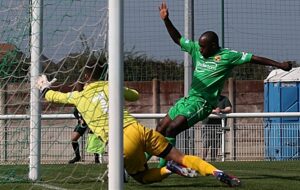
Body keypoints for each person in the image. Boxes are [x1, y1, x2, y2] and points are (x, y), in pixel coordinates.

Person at [36, 59, 241, 187]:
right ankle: (217, 172)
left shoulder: (77, 97)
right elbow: (133, 95)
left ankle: (168, 169)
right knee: (183, 157)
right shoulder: (109, 86)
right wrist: (119, 88)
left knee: (141, 178)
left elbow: (54, 97)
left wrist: (44, 87)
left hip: (120, 142)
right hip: (139, 130)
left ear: (84, 80)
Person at [153, 1, 292, 167]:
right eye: (200, 46)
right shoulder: (197, 49)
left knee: (171, 130)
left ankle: (161, 169)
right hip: (188, 99)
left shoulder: (227, 56)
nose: (200, 50)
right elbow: (178, 39)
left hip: (202, 103)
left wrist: (279, 65)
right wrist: (166, 20)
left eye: (204, 47)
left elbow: (253, 58)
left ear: (213, 45)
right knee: (160, 128)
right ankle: (141, 165)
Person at [202, 95, 232, 161]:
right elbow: (203, 108)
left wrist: (221, 110)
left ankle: (213, 160)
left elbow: (229, 108)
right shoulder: (207, 98)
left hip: (219, 125)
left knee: (216, 144)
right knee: (206, 143)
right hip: (207, 125)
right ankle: (203, 159)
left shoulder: (224, 98)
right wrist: (214, 111)